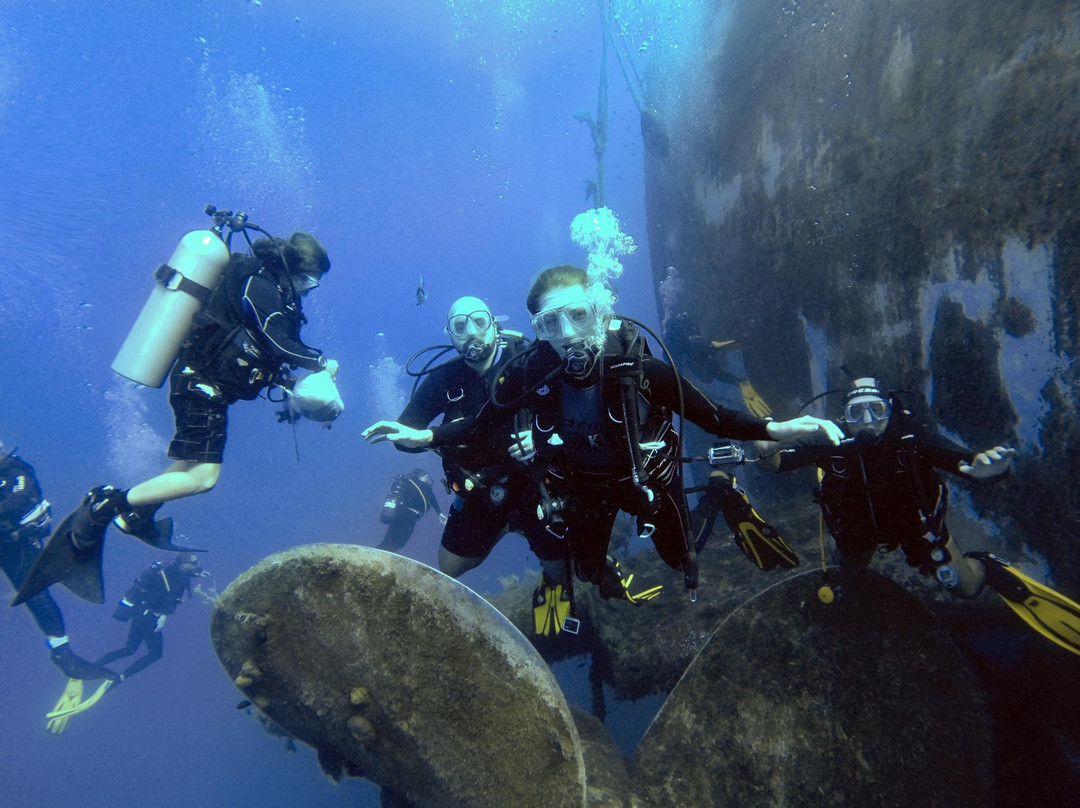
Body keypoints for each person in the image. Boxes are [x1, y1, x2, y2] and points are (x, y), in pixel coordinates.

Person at [392, 266, 844, 606]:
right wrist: (424, 438)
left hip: (645, 477)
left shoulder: (637, 370)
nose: (567, 335)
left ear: (599, 312)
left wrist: (774, 428)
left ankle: (721, 491)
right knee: (588, 574)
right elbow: (480, 423)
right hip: (585, 488)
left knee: (681, 561)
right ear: (538, 331)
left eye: (578, 315)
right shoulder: (532, 371)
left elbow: (713, 417)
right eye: (550, 324)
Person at [14, 232, 339, 607]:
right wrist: (319, 361)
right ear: (292, 268)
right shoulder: (260, 284)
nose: (311, 287)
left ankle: (138, 514)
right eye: (310, 278)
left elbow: (260, 346)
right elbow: (273, 338)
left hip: (207, 387)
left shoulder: (273, 291)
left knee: (187, 467)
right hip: (201, 386)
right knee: (203, 478)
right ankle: (106, 505)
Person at [760, 376, 1080, 656]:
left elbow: (963, 461)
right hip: (857, 532)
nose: (868, 421)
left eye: (877, 410)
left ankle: (988, 566)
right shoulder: (831, 444)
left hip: (917, 529)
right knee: (851, 578)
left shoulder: (913, 440)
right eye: (856, 413)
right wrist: (768, 443)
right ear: (844, 417)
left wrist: (986, 470)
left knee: (966, 588)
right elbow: (773, 463)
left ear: (890, 411)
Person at [363, 297, 561, 581]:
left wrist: (542, 434)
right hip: (479, 488)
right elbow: (404, 435)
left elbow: (566, 408)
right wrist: (423, 438)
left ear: (494, 325)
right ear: (450, 333)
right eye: (459, 325)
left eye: (479, 321)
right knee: (449, 566)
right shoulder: (443, 379)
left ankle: (542, 548)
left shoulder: (525, 361)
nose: (471, 332)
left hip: (534, 483)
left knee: (561, 570)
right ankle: (506, 525)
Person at [0, 442, 117, 680]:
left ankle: (63, 654)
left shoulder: (17, 471)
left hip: (18, 544)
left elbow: (18, 499)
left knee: (35, 594)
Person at [95, 552, 206, 683]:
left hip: (141, 613)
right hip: (149, 617)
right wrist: (163, 615)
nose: (197, 565)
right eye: (194, 563)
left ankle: (94, 667)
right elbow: (167, 594)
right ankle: (119, 678)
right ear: (183, 564)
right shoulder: (173, 576)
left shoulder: (173, 572)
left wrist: (197, 574)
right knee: (155, 654)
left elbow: (180, 577)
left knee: (129, 649)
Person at [377, 468, 445, 552]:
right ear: (422, 476)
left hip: (398, 513)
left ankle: (377, 552)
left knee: (389, 539)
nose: (427, 480)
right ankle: (379, 553)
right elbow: (432, 499)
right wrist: (439, 513)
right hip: (409, 517)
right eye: (426, 477)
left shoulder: (408, 482)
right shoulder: (424, 486)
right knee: (400, 542)